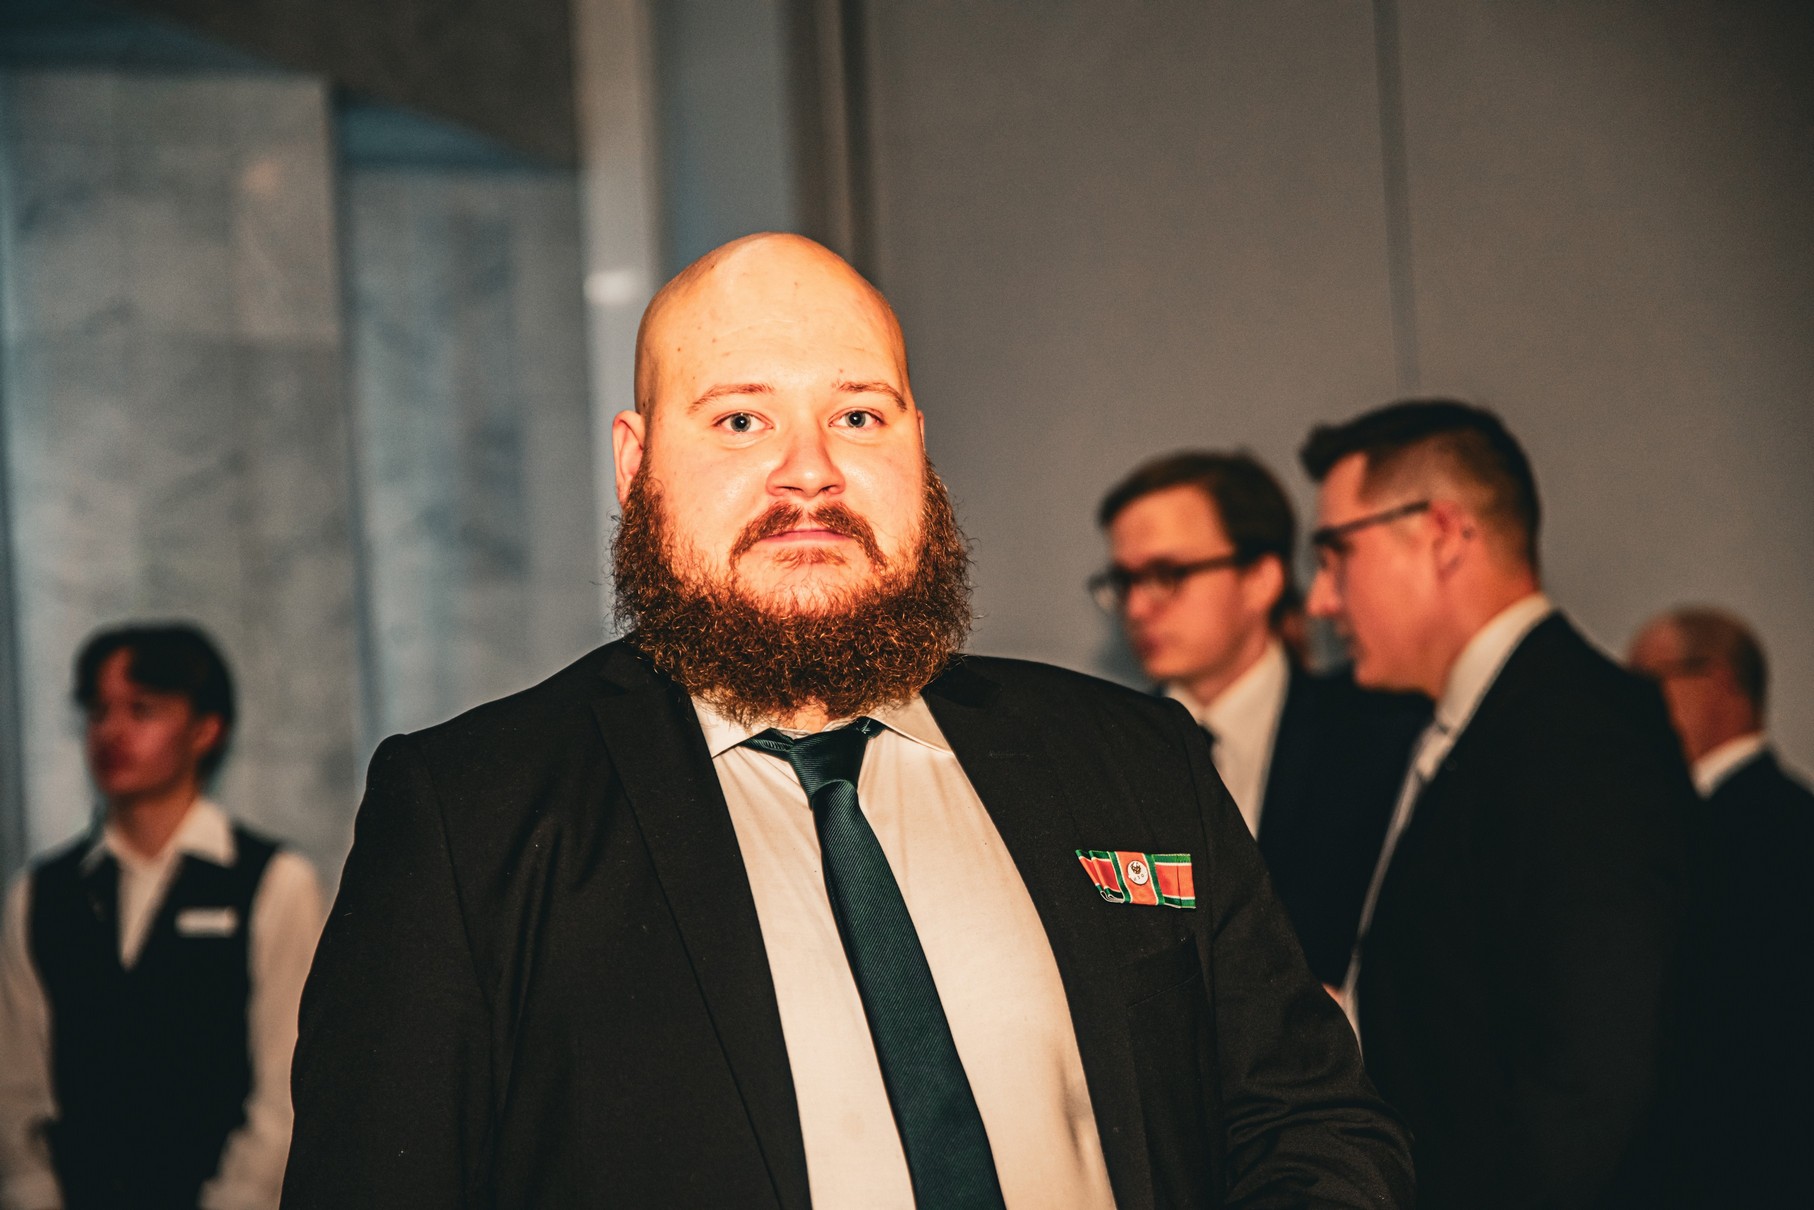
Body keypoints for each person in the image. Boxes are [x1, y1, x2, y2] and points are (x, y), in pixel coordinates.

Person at [282, 234, 1414, 1208]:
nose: (809, 472)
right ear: (635, 463)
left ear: (918, 444)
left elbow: (1312, 1128)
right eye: (740, 420)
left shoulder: (1132, 757)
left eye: (858, 415)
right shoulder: (471, 818)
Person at [1298, 400, 1694, 1208]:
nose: (1322, 601)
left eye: (1337, 554)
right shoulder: (1480, 724)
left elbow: (1588, 1090)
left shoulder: (1577, 732)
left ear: (1442, 533)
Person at [0, 623, 324, 1210]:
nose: (112, 732)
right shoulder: (40, 893)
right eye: (98, 711)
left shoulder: (275, 883)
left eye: (142, 710)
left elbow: (286, 1091)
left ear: (206, 729)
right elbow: (17, 1089)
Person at [1092, 452, 1426, 985]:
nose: (1136, 608)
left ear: (1261, 580)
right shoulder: (1104, 753)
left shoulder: (1380, 734)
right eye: (1125, 580)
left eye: (1166, 574)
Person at [1627, 607, 1812, 1206]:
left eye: (1646, 682)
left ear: (1720, 678)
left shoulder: (1748, 831)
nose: (1632, 708)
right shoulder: (1779, 816)